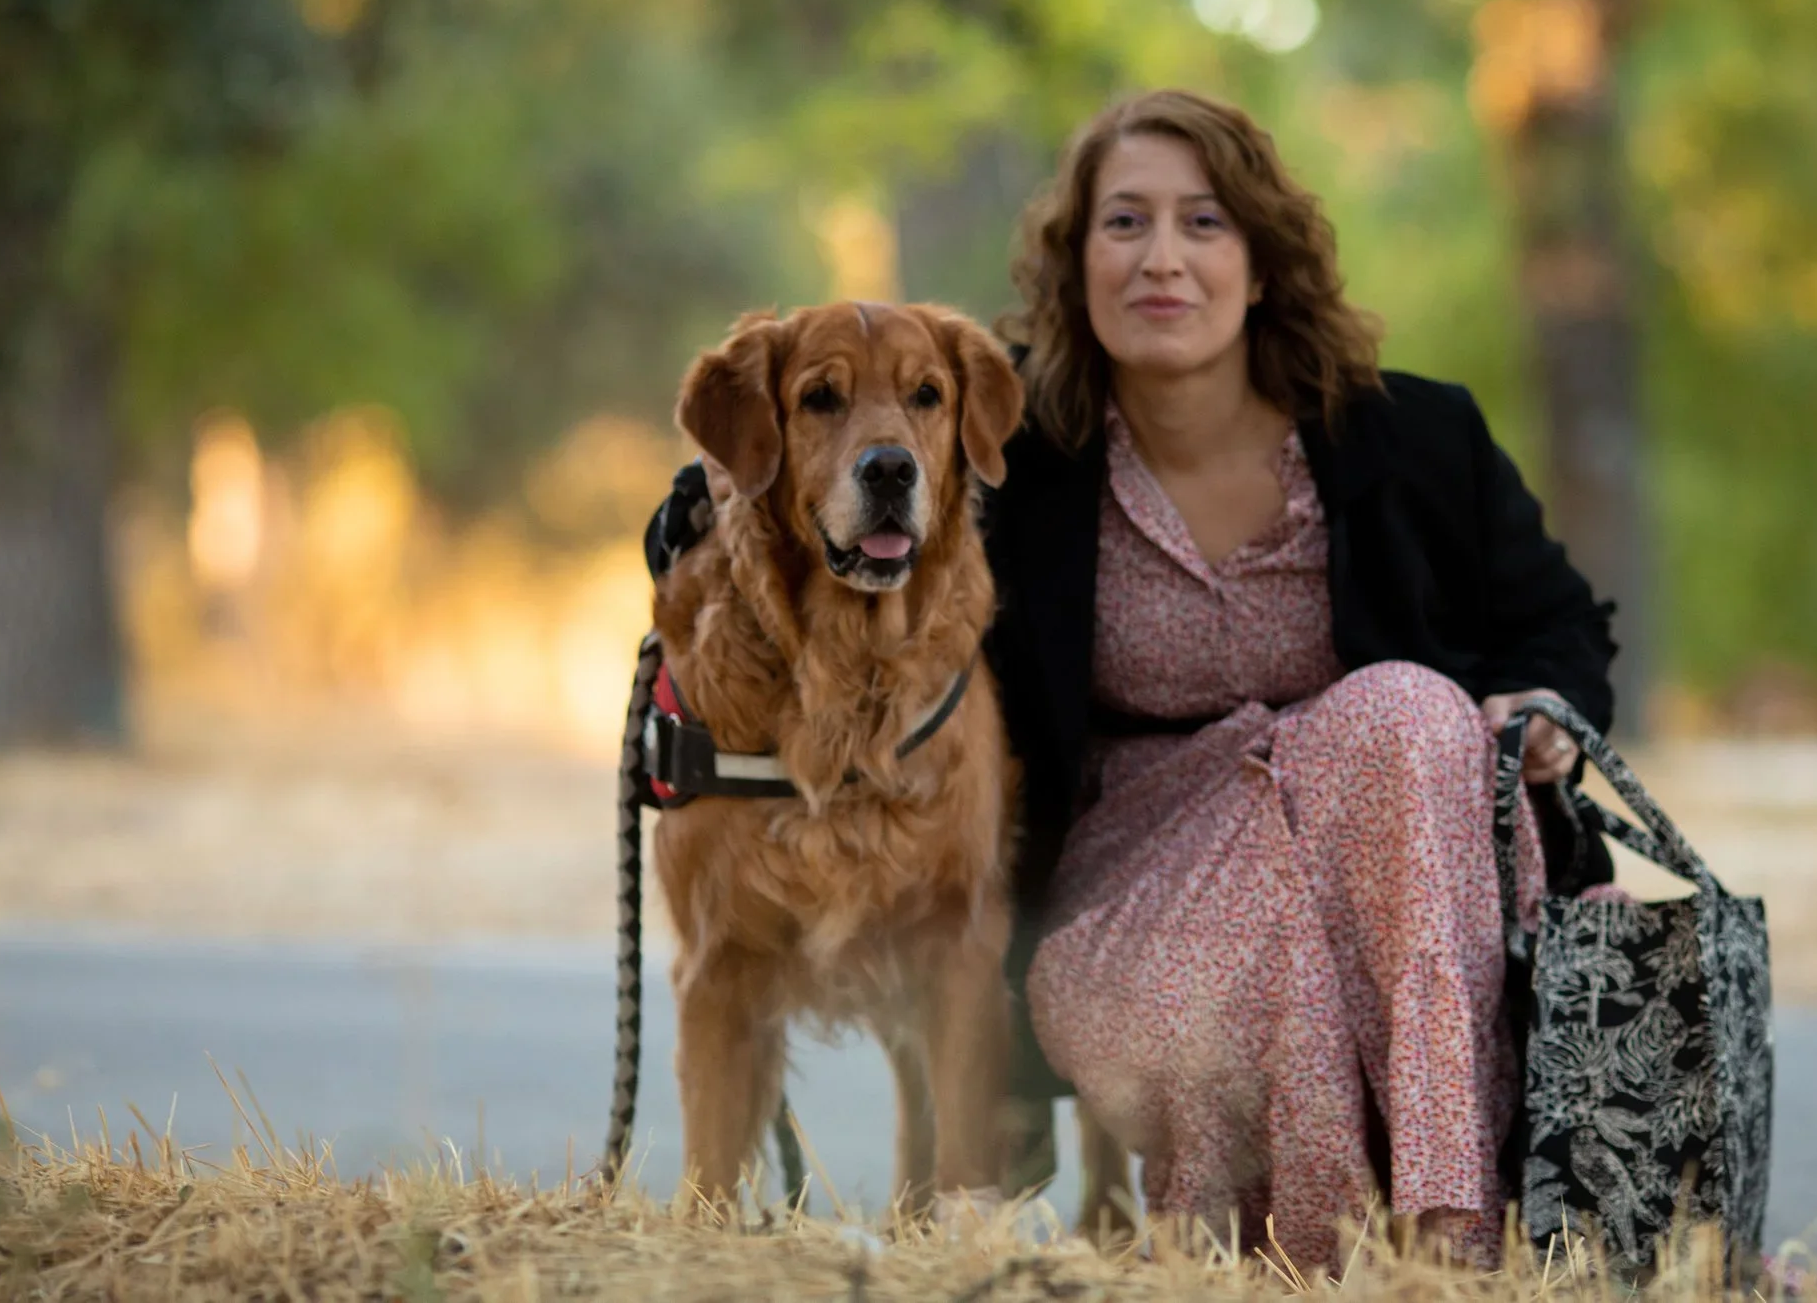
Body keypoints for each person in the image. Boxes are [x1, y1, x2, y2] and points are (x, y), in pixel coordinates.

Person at [646, 89, 1616, 1269]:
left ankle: (1448, 1229)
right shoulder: (1010, 431)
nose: (1162, 257)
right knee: (1201, 984)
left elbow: (1558, 623)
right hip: (1137, 873)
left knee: (1405, 709)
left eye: (1203, 222)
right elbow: (801, 459)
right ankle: (1304, 1255)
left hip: (1380, 846)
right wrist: (702, 514)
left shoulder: (1416, 436)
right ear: (1078, 264)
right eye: (1124, 222)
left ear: (1261, 264)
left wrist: (1545, 701)